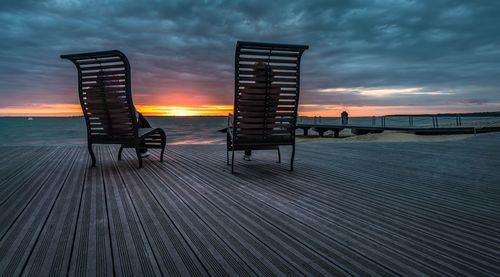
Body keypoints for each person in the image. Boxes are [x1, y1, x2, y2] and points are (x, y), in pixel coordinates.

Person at [241, 62, 281, 161]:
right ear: (271, 75)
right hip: (267, 131)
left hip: (250, 132)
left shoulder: (248, 89)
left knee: (249, 123)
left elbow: (241, 109)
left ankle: (247, 154)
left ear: (255, 75)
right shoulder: (276, 90)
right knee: (254, 123)